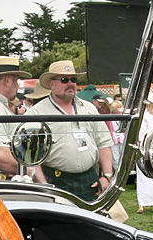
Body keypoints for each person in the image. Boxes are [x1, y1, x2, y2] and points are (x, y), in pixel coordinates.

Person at [28, 60, 114, 202]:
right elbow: (31, 158)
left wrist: (107, 176)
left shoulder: (89, 108)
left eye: (73, 79)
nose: (70, 83)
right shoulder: (36, 113)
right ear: (51, 84)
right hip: (56, 181)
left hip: (90, 181)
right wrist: (45, 187)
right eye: (64, 80)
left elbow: (103, 143)